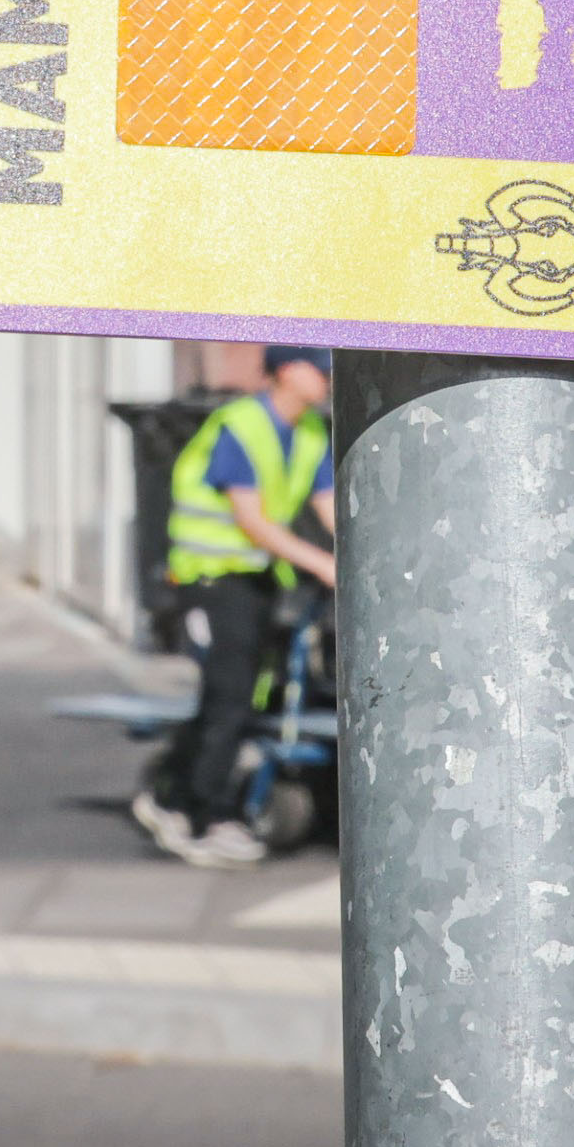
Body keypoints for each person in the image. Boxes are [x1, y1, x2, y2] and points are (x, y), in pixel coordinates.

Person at [142, 348, 341, 870]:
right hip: (210, 579)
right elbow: (250, 520)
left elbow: (330, 509)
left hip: (256, 581)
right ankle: (203, 816)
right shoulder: (241, 426)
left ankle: (172, 795)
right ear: (284, 371)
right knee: (228, 696)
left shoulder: (309, 433)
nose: (328, 375)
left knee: (244, 695)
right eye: (318, 366)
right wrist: (323, 563)